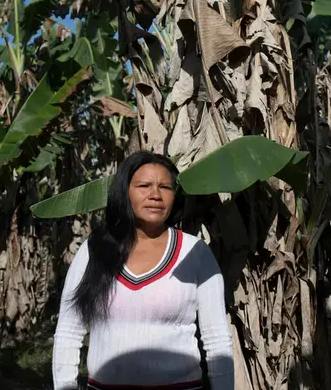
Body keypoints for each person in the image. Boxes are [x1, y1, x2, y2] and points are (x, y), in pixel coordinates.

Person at [52, 151, 235, 390]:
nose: (155, 195)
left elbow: (217, 340)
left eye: (165, 187)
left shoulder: (195, 253)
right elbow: (69, 331)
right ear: (124, 192)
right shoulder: (94, 251)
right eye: (144, 185)